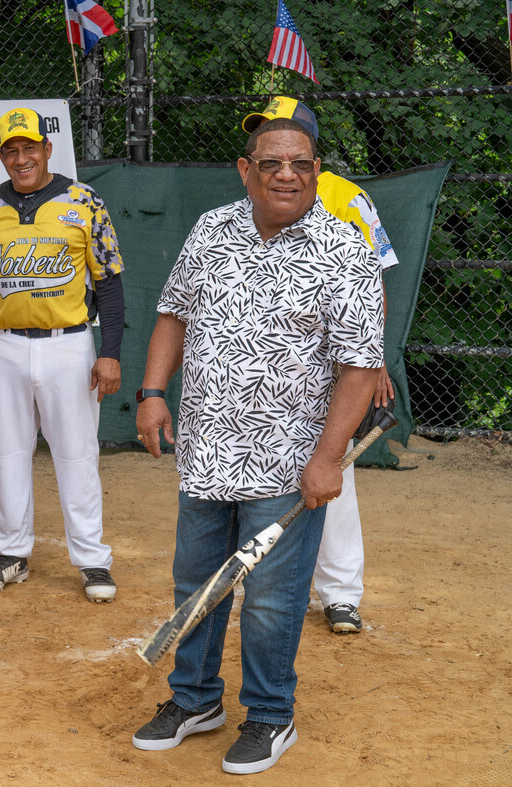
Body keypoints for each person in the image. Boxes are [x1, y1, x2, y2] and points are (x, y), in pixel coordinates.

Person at [130, 118, 384, 774]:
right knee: (198, 581)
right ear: (246, 170)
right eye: (271, 162)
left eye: (301, 163)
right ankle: (194, 700)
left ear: (317, 170)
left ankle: (271, 715)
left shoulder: (344, 249)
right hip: (206, 450)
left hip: (287, 464)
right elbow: (174, 313)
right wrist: (153, 391)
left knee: (272, 595)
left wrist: (328, 458)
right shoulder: (212, 230)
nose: (286, 174)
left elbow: (359, 366)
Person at [0, 107, 125, 603]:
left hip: (69, 342)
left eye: (29, 148)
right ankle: (10, 553)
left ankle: (92, 560)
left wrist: (109, 352)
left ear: (47, 149)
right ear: (1, 155)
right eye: (10, 150)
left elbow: (108, 283)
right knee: (8, 451)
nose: (21, 158)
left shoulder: (83, 200)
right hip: (4, 346)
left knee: (78, 453)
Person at [241, 97, 398, 635]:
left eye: (284, 133)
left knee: (335, 470)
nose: (273, 142)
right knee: (265, 470)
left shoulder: (347, 196)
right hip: (271, 365)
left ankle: (339, 592)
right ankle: (268, 581)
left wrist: (373, 361)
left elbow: (374, 278)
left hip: (336, 362)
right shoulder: (259, 190)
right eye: (262, 133)